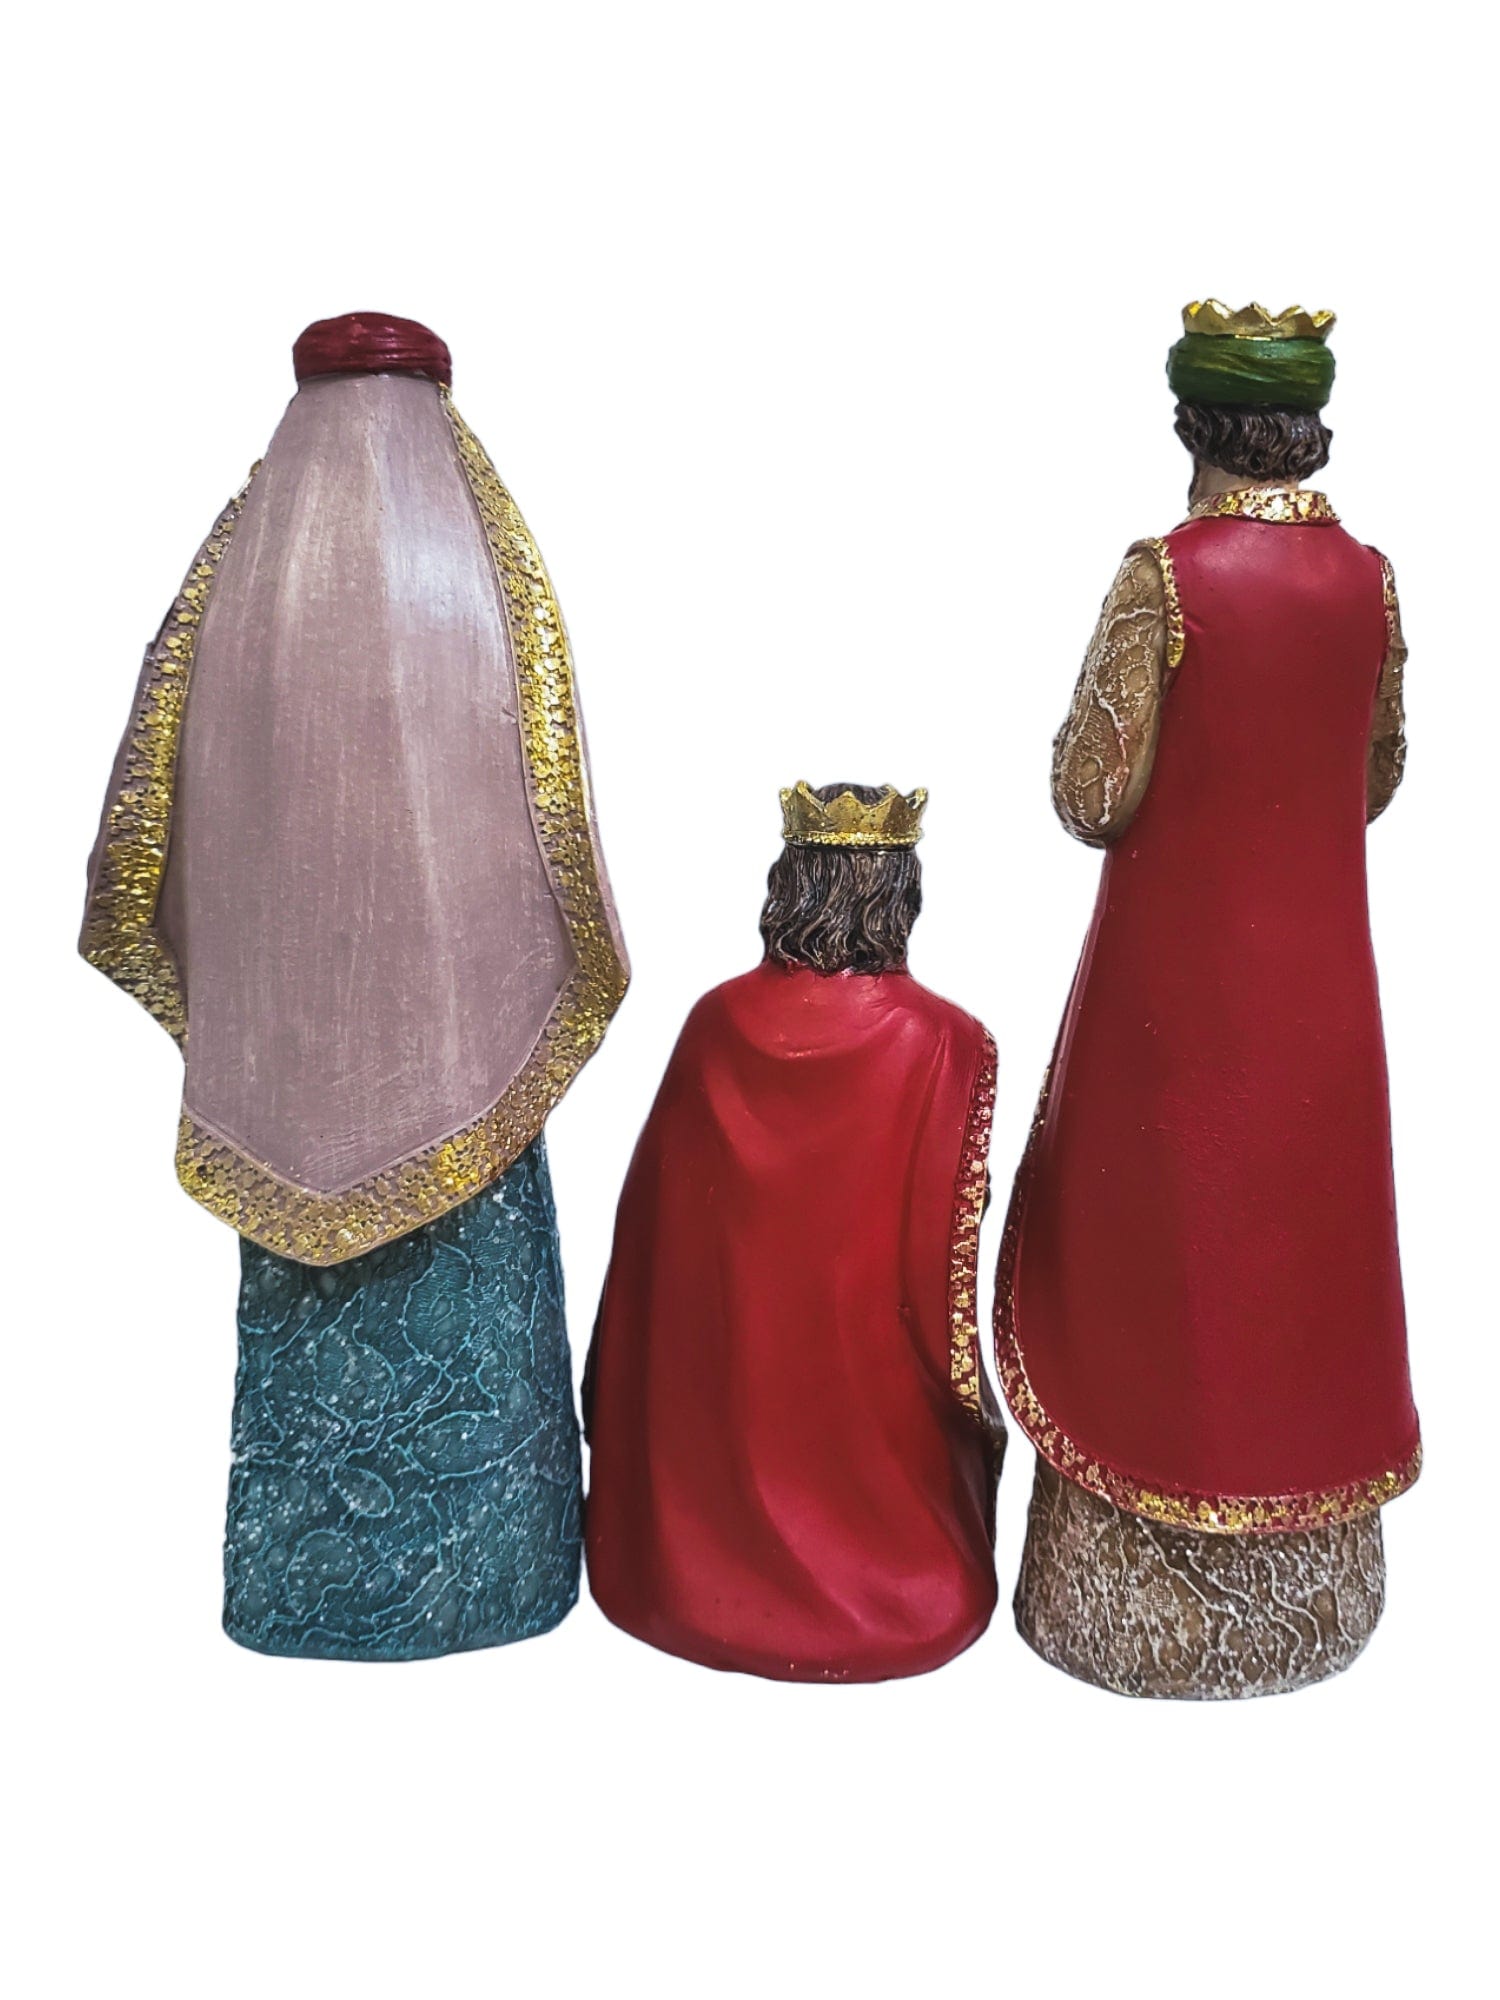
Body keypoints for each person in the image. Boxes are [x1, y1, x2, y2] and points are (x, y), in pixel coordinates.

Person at [81, 312, 628, 1659]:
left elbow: (160, 804)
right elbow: (547, 813)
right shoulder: (480, 555)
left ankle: (303, 1598)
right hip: (474, 1069)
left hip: (283, 1065)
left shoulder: (241, 560)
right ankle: (496, 1582)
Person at [996, 301, 1419, 1698]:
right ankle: (1313, 1581)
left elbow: (1089, 792)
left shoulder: (1166, 577)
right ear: (1310, 426)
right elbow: (1374, 777)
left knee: (1150, 1240)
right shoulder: (1370, 580)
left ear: (1195, 426)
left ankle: (1132, 1582)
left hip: (1173, 992)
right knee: (1307, 1253)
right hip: (1323, 989)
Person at [585, 782, 1001, 1681]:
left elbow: (649, 1238)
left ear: (788, 885)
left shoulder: (714, 1020)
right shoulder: (948, 1042)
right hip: (871, 1418)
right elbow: (947, 1263)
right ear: (899, 896)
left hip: (714, 1428)